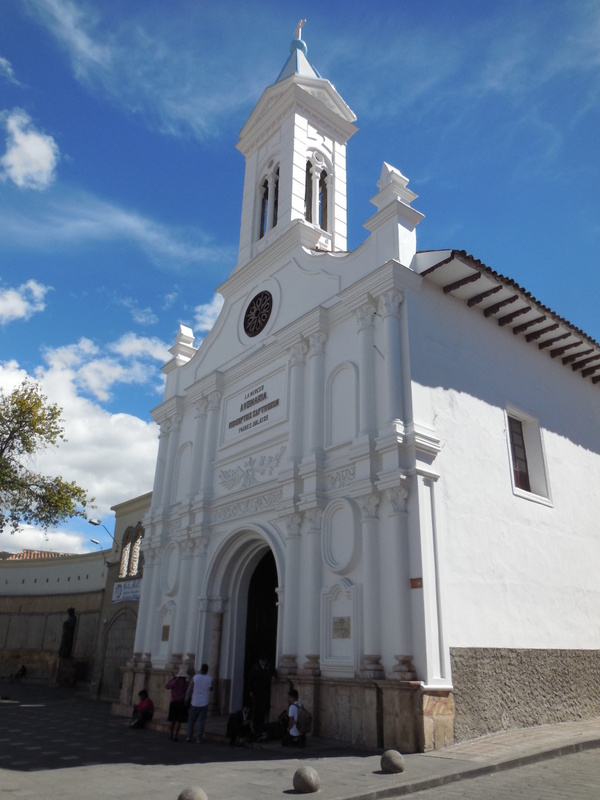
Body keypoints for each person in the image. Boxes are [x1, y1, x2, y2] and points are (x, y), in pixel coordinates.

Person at [247, 654, 275, 741]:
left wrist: (274, 676)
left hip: (265, 691)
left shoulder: (268, 667)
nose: (263, 662)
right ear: (259, 661)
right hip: (257, 691)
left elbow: (273, 671)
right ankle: (255, 726)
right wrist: (251, 690)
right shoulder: (255, 668)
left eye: (264, 661)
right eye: (261, 661)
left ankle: (261, 726)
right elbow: (250, 679)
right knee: (256, 709)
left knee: (263, 709)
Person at [185, 663, 212, 743]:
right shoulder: (209, 678)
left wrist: (186, 699)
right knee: (201, 721)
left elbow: (190, 690)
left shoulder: (195, 677)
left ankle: (189, 736)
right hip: (204, 702)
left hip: (195, 701)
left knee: (191, 721)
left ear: (200, 669)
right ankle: (198, 738)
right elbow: (211, 688)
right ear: (207, 670)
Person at [165, 668, 190, 741]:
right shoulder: (187, 684)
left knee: (172, 720)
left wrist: (172, 679)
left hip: (173, 702)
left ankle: (171, 735)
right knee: (178, 721)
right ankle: (175, 736)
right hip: (181, 703)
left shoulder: (175, 682)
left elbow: (167, 686)